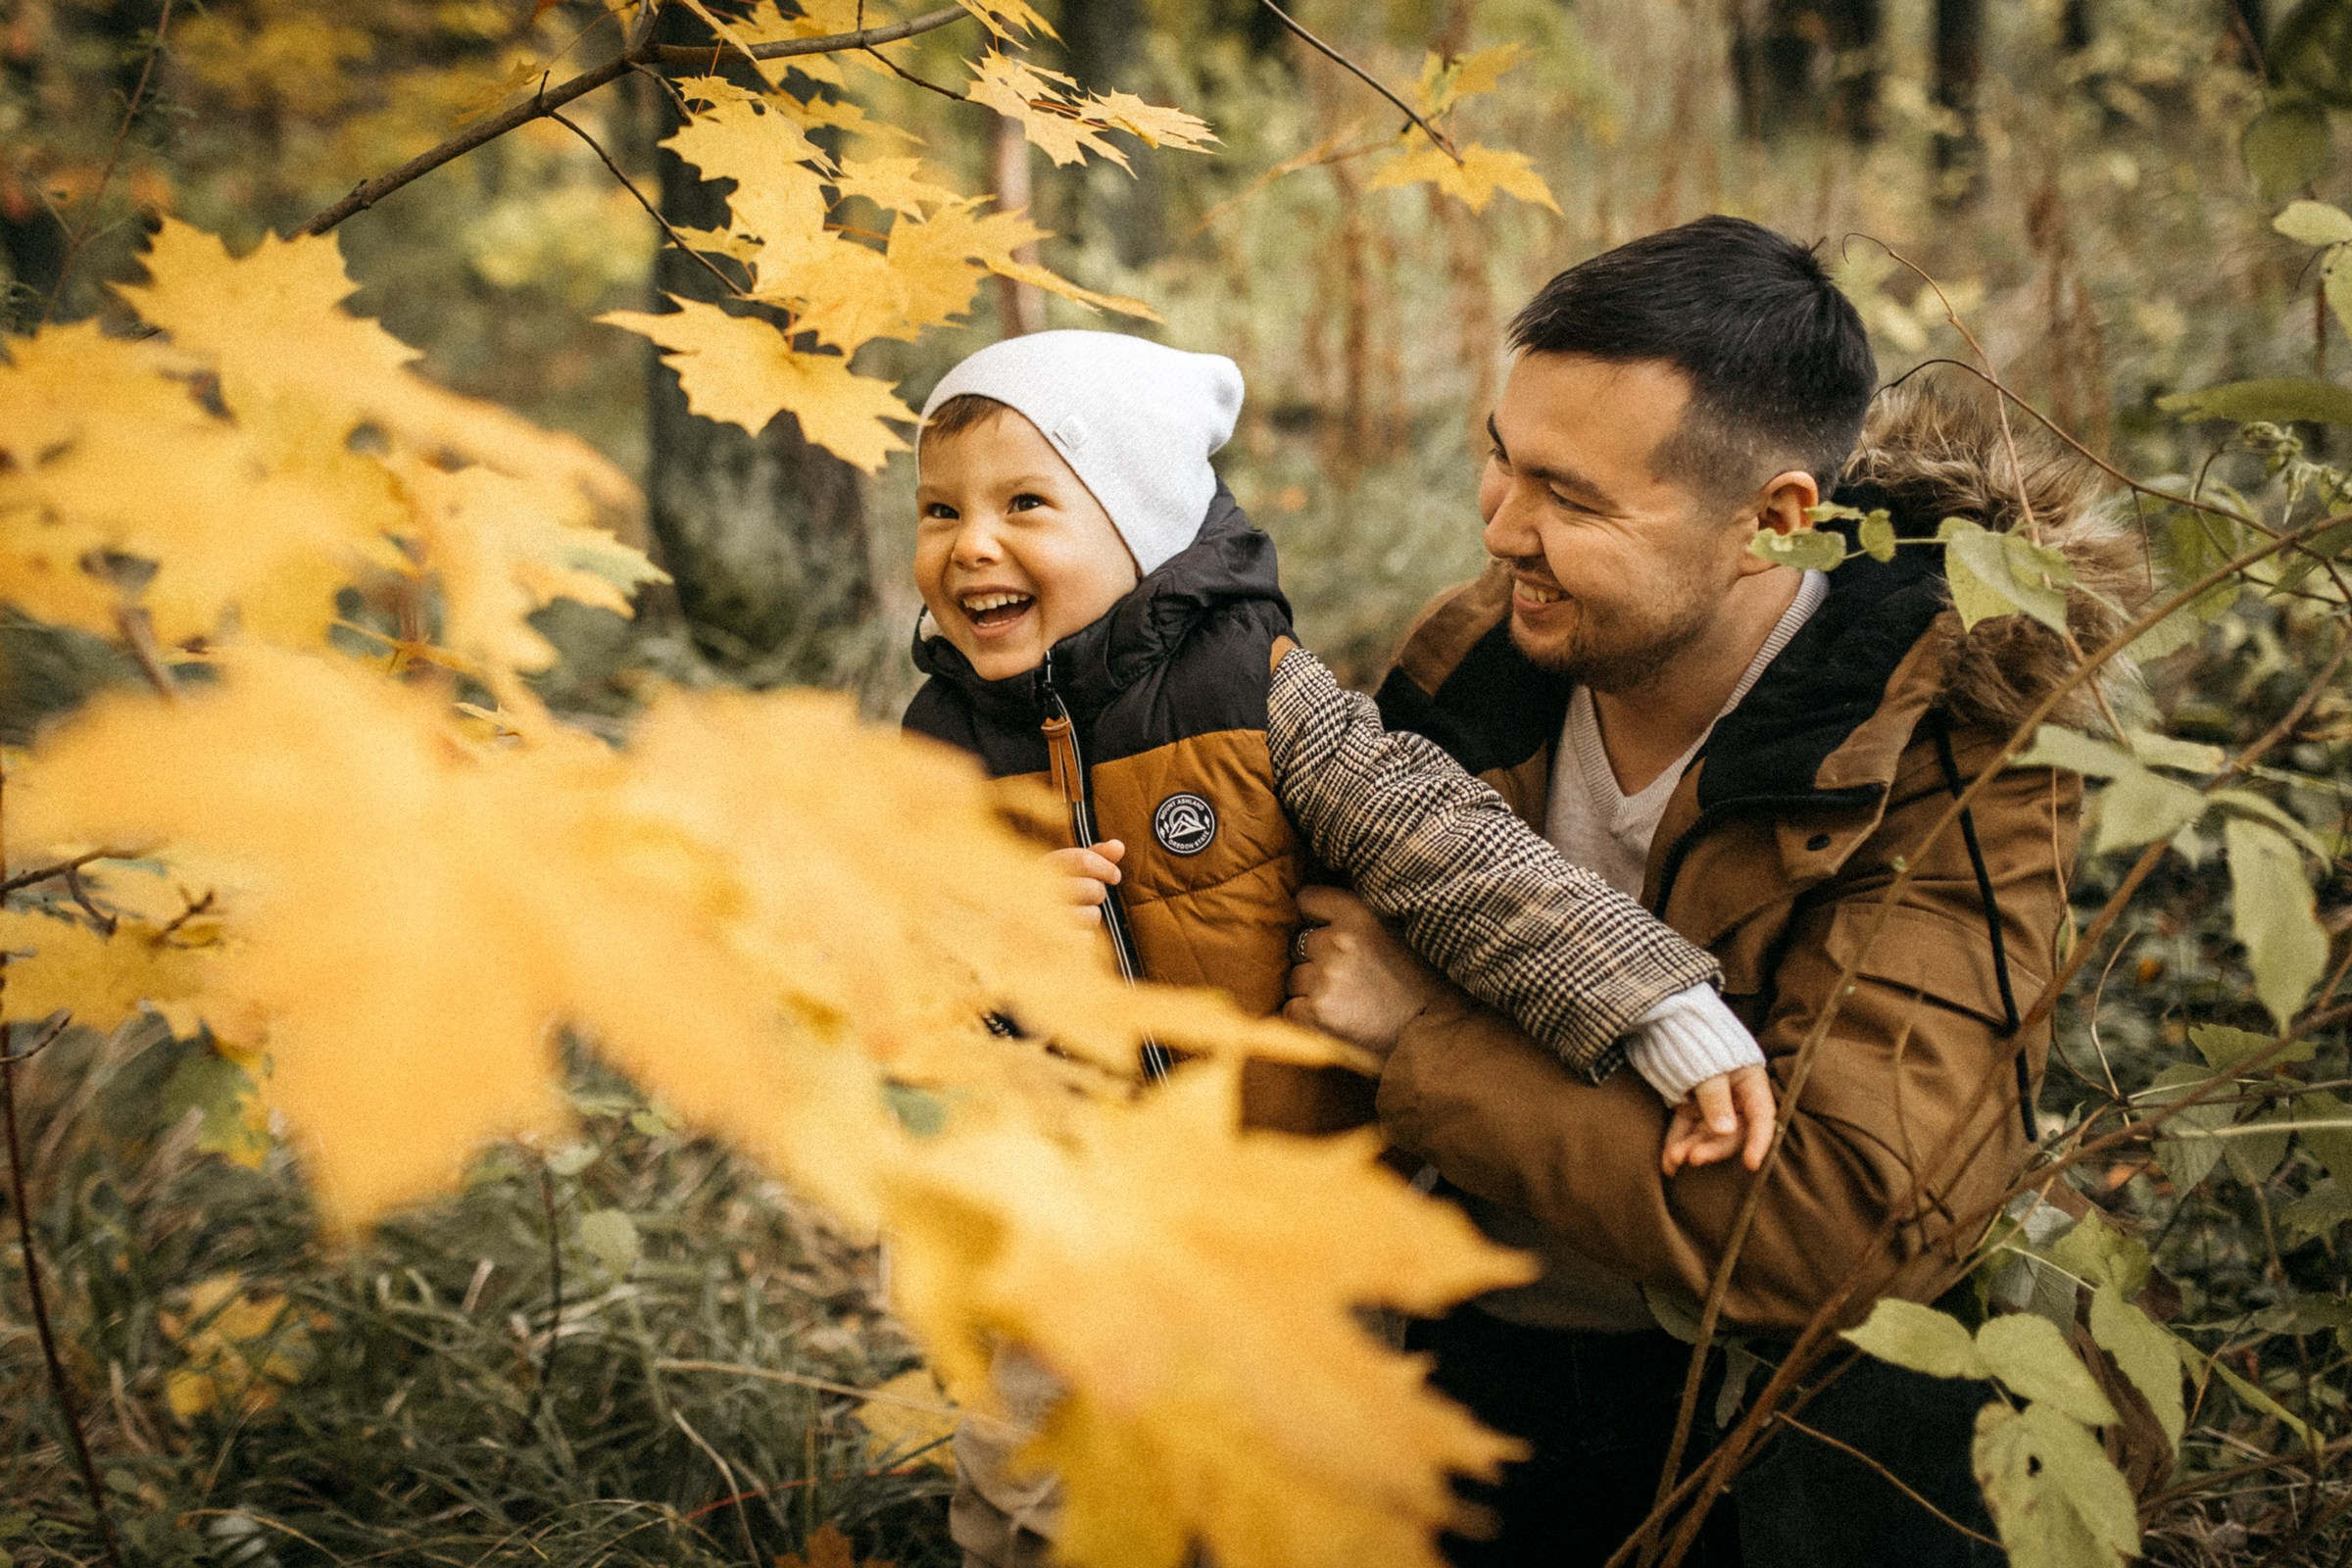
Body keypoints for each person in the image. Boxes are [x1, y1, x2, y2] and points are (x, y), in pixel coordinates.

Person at [1282, 217, 2139, 1566]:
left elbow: (1846, 1229)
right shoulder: (1474, 659)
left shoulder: (1956, 737)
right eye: (1501, 461)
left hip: (1781, 1406)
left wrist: (1423, 1044)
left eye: (1572, 500)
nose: (1501, 531)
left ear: (1775, 524)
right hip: (1474, 1349)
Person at [898, 328, 1780, 1567]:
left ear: (1142, 526)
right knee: (1042, 1498)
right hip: (1062, 1236)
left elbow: (1453, 850)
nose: (969, 544)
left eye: (1025, 503)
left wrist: (1653, 1003)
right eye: (939, 509)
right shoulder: (932, 752)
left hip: (1288, 1221)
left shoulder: (1260, 703)